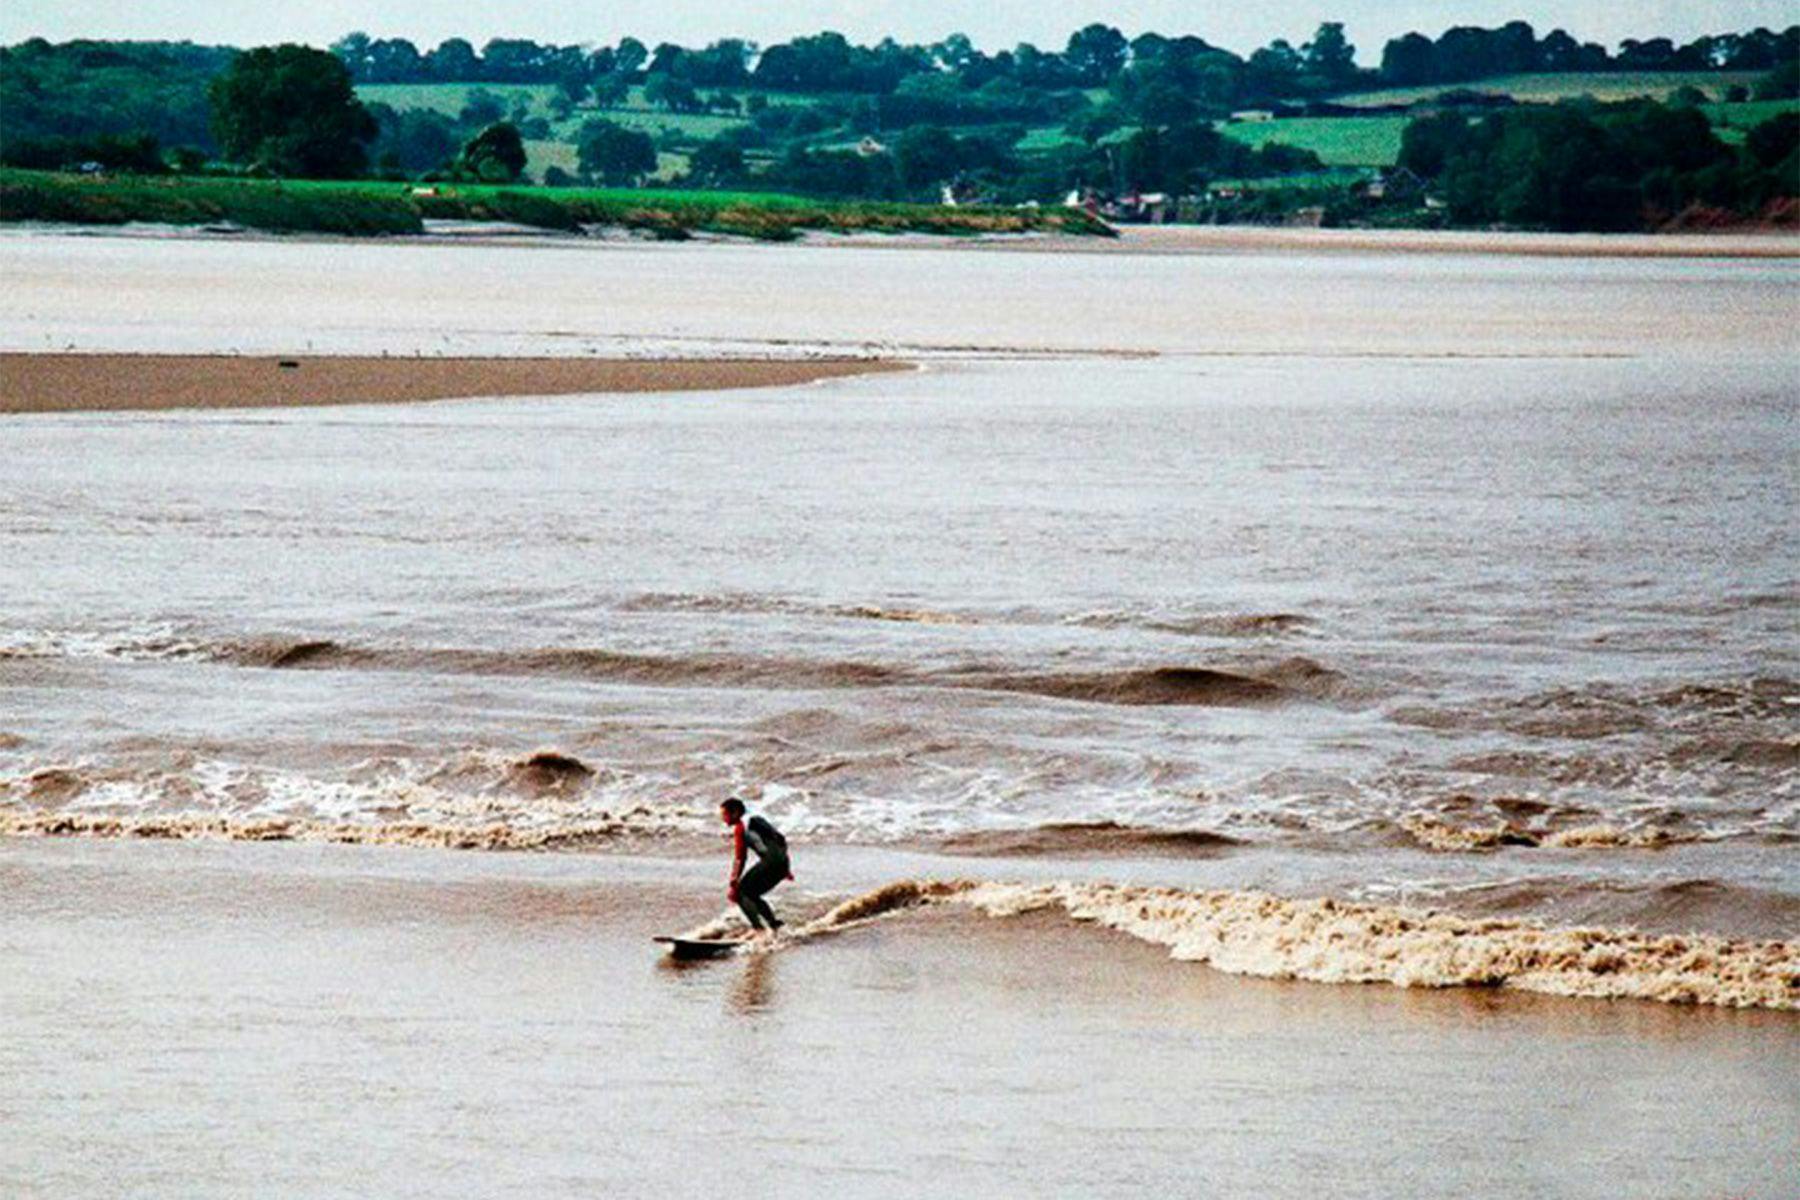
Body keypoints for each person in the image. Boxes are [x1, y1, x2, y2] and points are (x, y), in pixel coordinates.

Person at [720, 797, 792, 938]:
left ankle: (759, 931)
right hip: (783, 861)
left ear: (735, 813)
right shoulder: (757, 819)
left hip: (771, 862)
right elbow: (781, 839)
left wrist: (733, 881)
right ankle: (774, 926)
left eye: (725, 814)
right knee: (752, 894)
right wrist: (785, 866)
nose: (723, 819)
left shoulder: (741, 827)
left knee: (740, 893)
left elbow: (740, 858)